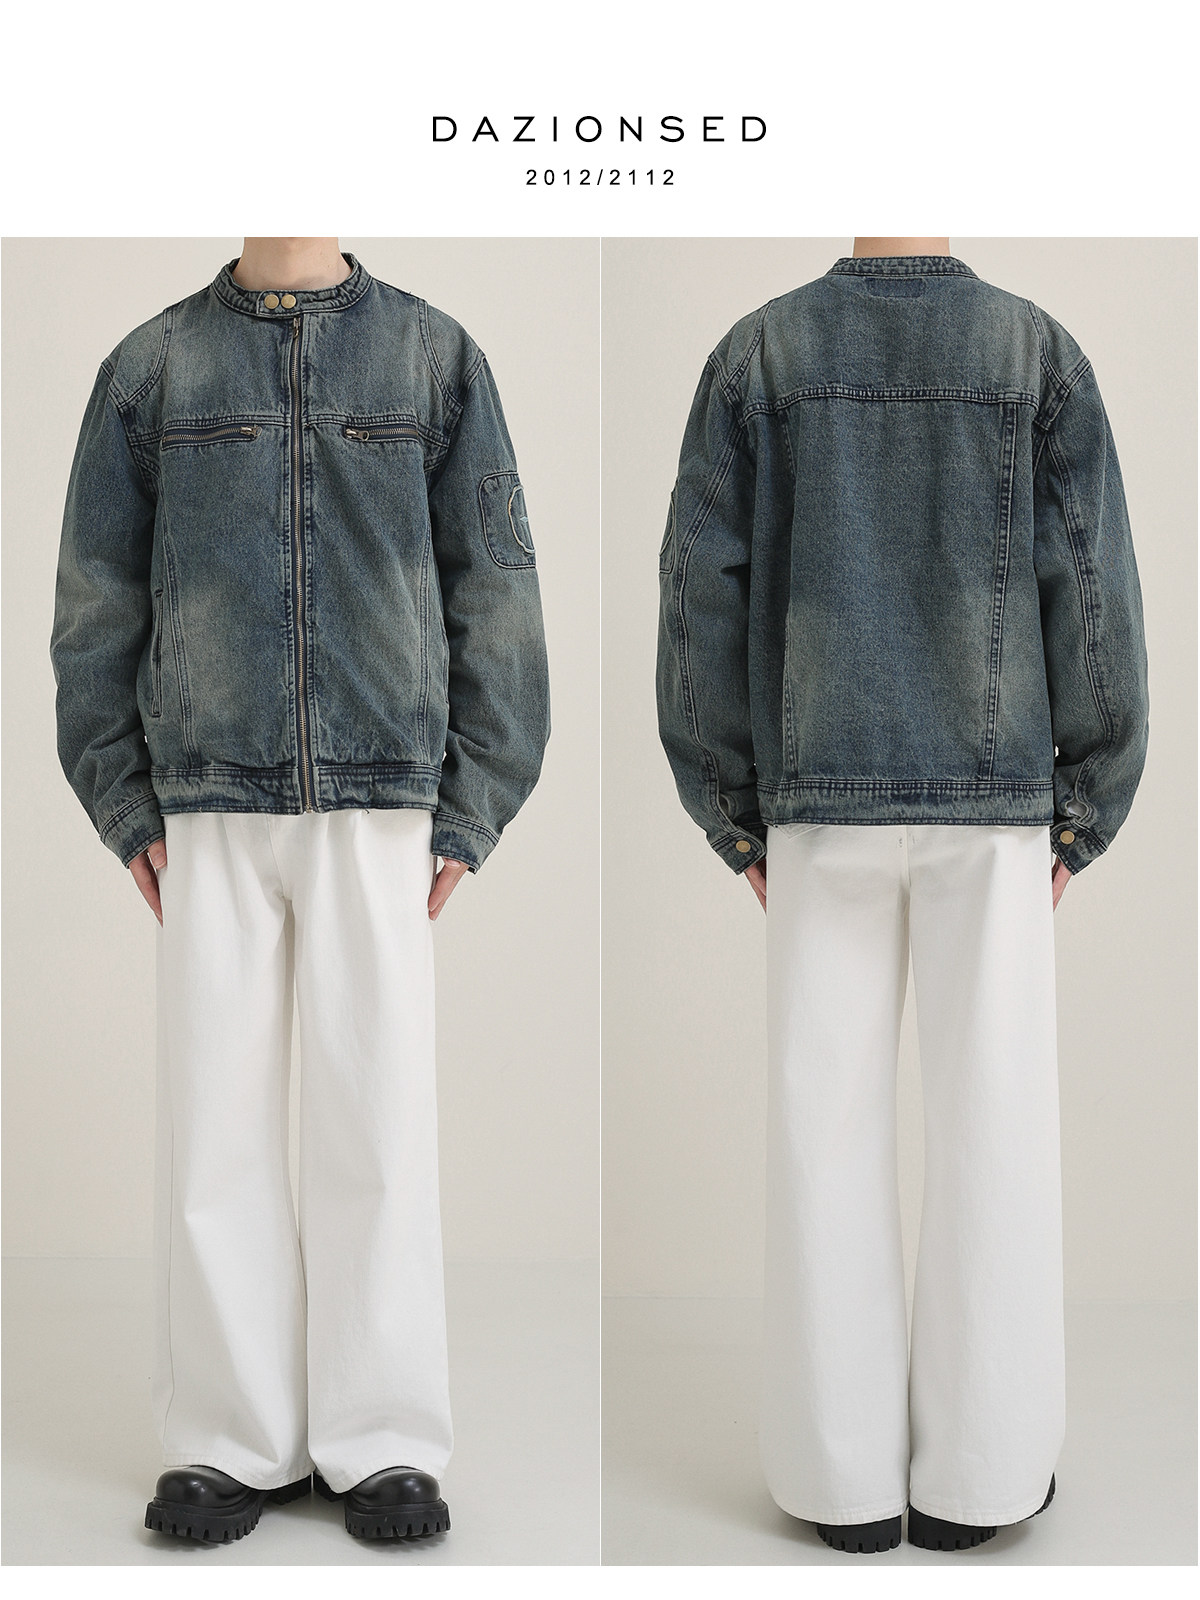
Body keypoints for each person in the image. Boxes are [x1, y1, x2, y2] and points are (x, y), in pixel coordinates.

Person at [50, 237, 550, 1544]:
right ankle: (229, 1439)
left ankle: (383, 1438)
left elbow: (494, 581)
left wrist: (475, 795)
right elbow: (96, 599)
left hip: (383, 790)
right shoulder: (153, 368)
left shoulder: (433, 359)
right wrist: (122, 795)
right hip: (207, 789)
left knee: (376, 1116)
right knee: (214, 1122)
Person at [656, 237, 1149, 1552]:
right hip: (994, 804)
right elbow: (1091, 586)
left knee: (824, 1130)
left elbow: (699, 595)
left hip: (818, 800)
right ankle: (982, 1478)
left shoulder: (761, 353)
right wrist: (1085, 796)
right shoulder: (1032, 352)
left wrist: (734, 804)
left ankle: (843, 1487)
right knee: (995, 1125)